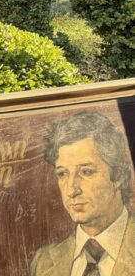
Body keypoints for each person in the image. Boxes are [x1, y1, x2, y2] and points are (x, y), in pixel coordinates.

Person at [30, 111, 135, 276]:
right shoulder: (43, 262)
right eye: (62, 174)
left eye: (86, 172)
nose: (71, 190)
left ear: (118, 175)